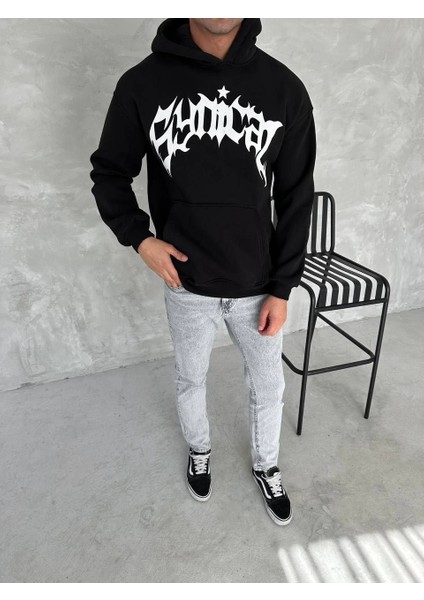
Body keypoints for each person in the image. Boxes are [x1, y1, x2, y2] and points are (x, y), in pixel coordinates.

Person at [89, 18, 316, 526]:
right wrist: (141, 239)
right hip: (186, 283)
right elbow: (110, 172)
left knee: (269, 386)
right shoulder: (142, 83)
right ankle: (199, 449)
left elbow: (296, 196)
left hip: (259, 284)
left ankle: (267, 464)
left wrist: (283, 286)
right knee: (191, 378)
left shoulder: (284, 88)